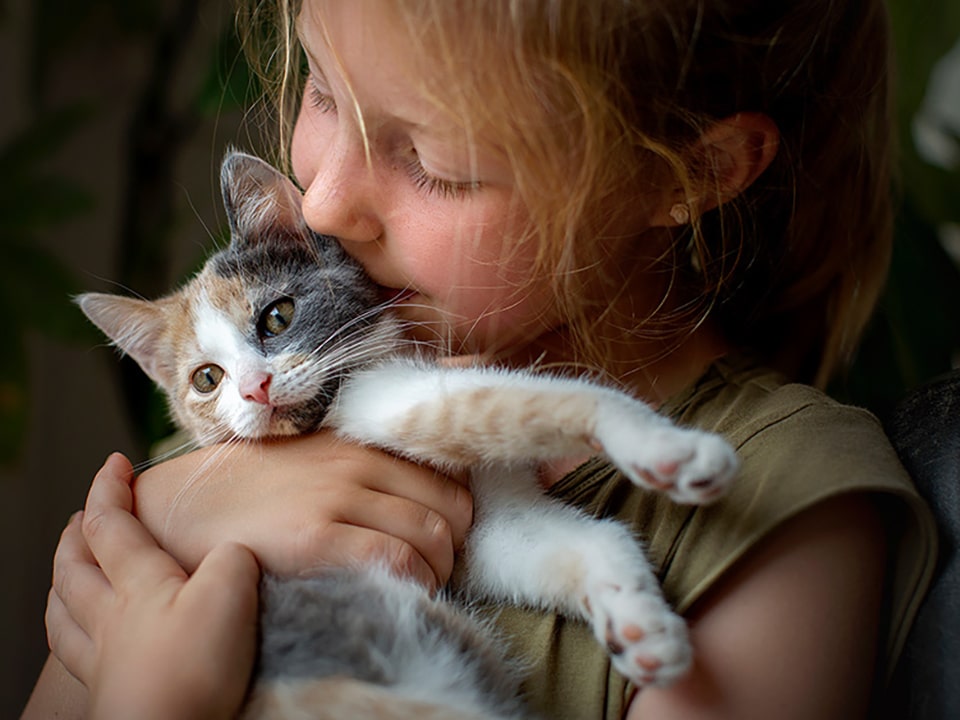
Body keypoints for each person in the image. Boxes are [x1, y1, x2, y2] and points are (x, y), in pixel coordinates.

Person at [23, 0, 938, 718]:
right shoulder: (227, 458)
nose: (328, 202)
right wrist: (186, 507)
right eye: (321, 90)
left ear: (685, 173)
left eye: (437, 163)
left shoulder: (786, 507)